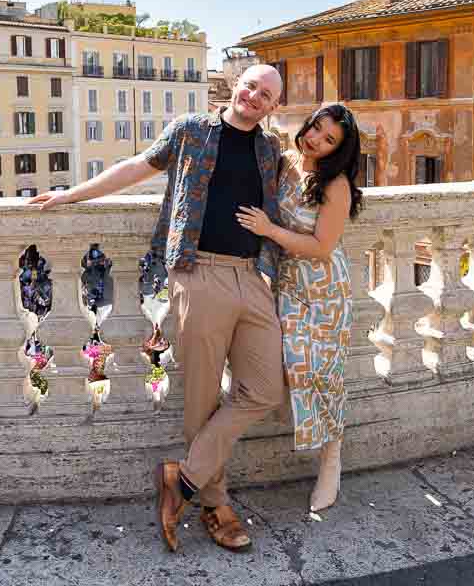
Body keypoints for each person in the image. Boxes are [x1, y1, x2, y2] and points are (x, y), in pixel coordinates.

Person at [29, 64, 285, 553]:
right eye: (251, 85)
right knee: (203, 396)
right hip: (200, 271)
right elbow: (135, 167)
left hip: (253, 276)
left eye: (267, 94)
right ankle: (216, 505)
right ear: (237, 86)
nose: (254, 96)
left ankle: (181, 480)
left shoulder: (270, 149)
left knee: (266, 390)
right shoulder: (191, 131)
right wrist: (70, 194)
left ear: (273, 107)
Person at [235, 103, 363, 513]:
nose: (316, 141)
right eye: (316, 129)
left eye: (329, 140)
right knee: (289, 367)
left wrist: (269, 230)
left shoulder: (335, 184)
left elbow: (323, 247)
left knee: (324, 373)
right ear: (307, 125)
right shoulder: (286, 161)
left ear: (339, 150)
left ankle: (331, 458)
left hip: (325, 287)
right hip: (287, 284)